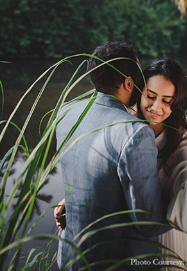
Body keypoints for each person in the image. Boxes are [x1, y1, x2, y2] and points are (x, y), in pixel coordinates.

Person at [55, 41, 171, 270]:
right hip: (113, 261)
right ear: (129, 83)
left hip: (69, 255)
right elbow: (147, 221)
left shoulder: (66, 112)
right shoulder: (135, 131)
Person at [135, 58, 187, 269]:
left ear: (177, 104)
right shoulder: (124, 125)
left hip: (169, 249)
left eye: (166, 101)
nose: (156, 107)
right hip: (129, 248)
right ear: (139, 92)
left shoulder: (184, 147)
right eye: (151, 96)